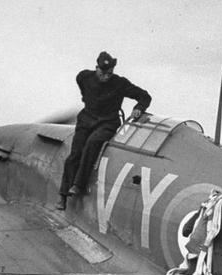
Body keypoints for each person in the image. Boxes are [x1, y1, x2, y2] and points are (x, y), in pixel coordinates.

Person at [56, 51, 151, 210]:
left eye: (109, 73)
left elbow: (144, 96)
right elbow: (83, 90)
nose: (106, 76)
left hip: (107, 122)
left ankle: (78, 185)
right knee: (75, 154)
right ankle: (63, 195)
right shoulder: (84, 77)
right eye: (103, 72)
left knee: (92, 144)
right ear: (96, 68)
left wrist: (139, 109)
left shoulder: (120, 83)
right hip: (87, 119)